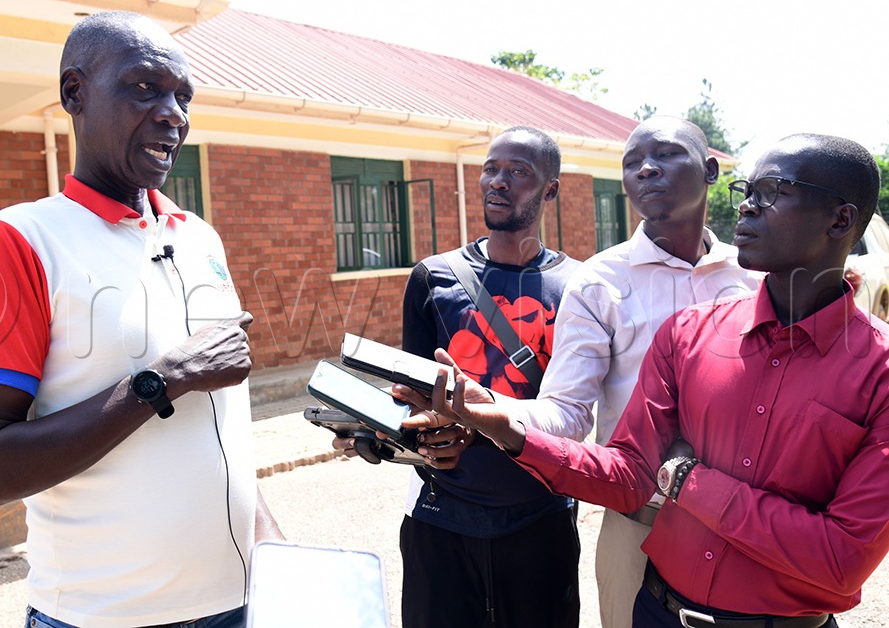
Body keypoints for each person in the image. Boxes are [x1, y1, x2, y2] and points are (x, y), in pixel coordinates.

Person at [423, 132, 889, 627]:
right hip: (656, 609)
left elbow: (841, 561)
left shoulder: (876, 371)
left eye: (772, 191)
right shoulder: (685, 332)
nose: (747, 207)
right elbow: (629, 475)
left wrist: (687, 480)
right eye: (747, 191)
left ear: (841, 219)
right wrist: (503, 425)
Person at [0, 11, 282, 628]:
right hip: (105, 616)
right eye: (145, 88)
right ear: (75, 93)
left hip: (237, 604)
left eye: (183, 97)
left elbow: (218, 433)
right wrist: (166, 379)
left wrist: (276, 550)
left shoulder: (198, 236)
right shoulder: (22, 240)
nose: (173, 114)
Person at [400, 115, 761, 628]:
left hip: (748, 520)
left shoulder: (757, 277)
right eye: (632, 162)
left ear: (710, 170)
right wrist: (486, 412)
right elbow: (566, 411)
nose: (647, 169)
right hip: (637, 517)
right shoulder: (598, 282)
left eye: (665, 155)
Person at [338, 126, 582, 627]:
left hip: (541, 514)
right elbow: (414, 397)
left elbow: (573, 410)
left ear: (550, 190)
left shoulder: (578, 286)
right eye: (490, 169)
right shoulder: (433, 277)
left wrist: (482, 425)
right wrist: (373, 432)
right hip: (441, 517)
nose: (498, 181)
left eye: (518, 172)